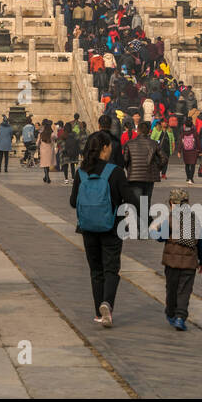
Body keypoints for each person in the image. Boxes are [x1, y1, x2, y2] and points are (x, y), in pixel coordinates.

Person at [72, 130, 130, 329]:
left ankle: (99, 312)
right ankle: (108, 303)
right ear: (105, 148)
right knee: (111, 269)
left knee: (96, 270)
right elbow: (131, 198)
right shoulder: (115, 172)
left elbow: (73, 202)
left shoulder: (81, 172)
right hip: (112, 228)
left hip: (88, 228)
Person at [152, 188, 202, 330]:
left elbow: (160, 237)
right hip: (189, 264)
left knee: (171, 289)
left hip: (171, 264)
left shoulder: (170, 219)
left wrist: (153, 230)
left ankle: (171, 313)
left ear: (171, 203)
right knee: (184, 291)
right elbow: (201, 243)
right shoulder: (194, 219)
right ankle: (180, 318)